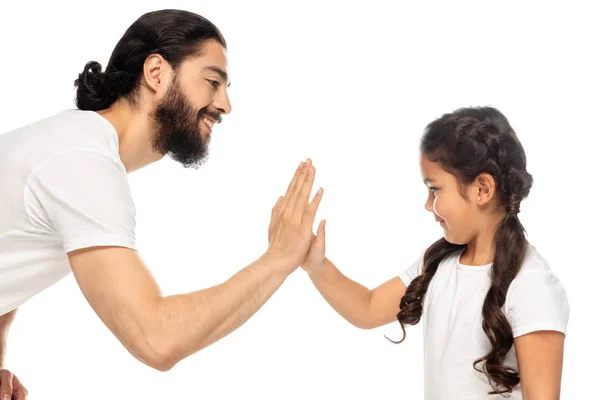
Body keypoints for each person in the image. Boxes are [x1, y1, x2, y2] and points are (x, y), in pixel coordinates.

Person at [0, 9, 324, 399]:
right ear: (156, 73)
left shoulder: (74, 145)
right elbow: (156, 339)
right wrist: (278, 259)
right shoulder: (82, 161)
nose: (225, 104)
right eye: (212, 82)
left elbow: (11, 249)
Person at [299, 106, 569, 399]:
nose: (428, 204)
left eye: (435, 190)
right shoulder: (439, 261)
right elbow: (368, 308)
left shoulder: (531, 285)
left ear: (482, 189)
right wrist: (317, 265)